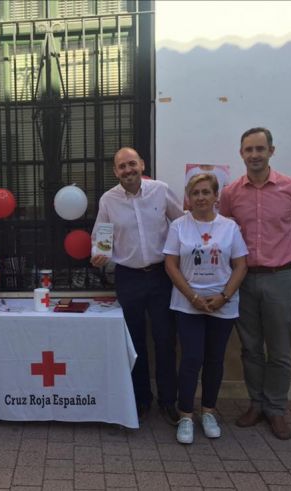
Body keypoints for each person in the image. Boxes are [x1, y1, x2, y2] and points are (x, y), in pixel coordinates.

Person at [220, 127, 291, 440]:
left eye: (260, 149)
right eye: (249, 149)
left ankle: (276, 409)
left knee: (280, 351)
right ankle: (256, 404)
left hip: (280, 279)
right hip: (244, 280)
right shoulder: (230, 193)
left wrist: (281, 260)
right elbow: (225, 233)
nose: (254, 155)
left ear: (272, 151)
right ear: (241, 153)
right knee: (250, 349)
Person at [91, 147, 184, 424]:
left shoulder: (160, 190)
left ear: (142, 164)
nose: (128, 170)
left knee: (165, 341)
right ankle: (141, 399)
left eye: (132, 164)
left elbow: (181, 224)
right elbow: (102, 239)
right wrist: (99, 255)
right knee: (134, 342)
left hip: (160, 275)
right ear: (115, 171)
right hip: (128, 277)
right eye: (122, 166)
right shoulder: (108, 200)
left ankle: (169, 401)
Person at [163, 173, 248, 444]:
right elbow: (171, 264)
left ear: (216, 196)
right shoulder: (179, 226)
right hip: (188, 304)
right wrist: (192, 297)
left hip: (222, 305)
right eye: (195, 193)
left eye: (206, 192)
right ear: (188, 197)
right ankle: (186, 414)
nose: (200, 197)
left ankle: (208, 411)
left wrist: (224, 296)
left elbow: (241, 265)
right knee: (191, 359)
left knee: (214, 359)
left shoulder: (230, 227)